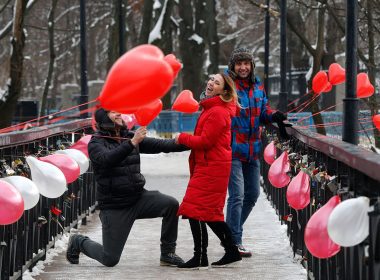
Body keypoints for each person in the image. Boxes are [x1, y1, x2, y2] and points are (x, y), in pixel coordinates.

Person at [66, 108, 188, 267]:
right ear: (104, 118)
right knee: (109, 259)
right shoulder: (96, 143)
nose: (118, 114)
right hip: (115, 206)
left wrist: (192, 142)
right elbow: (107, 160)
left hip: (138, 198)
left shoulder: (128, 136)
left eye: (118, 111)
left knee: (171, 204)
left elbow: (161, 145)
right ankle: (78, 241)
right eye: (112, 112)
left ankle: (167, 253)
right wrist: (131, 143)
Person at [225, 47, 290, 257]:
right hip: (232, 148)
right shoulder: (227, 84)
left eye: (246, 63)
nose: (243, 67)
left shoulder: (257, 84)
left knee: (252, 194)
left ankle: (228, 233)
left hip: (252, 150)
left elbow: (263, 111)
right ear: (233, 66)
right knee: (237, 196)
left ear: (251, 65)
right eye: (239, 63)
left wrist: (274, 116)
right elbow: (206, 99)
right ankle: (234, 241)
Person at [175, 73, 242, 270]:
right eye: (211, 79)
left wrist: (182, 138)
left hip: (213, 167)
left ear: (225, 91)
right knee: (206, 212)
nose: (211, 83)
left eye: (217, 82)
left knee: (195, 210)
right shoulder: (211, 109)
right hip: (209, 165)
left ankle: (202, 256)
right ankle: (230, 251)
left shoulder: (218, 112)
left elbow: (205, 141)